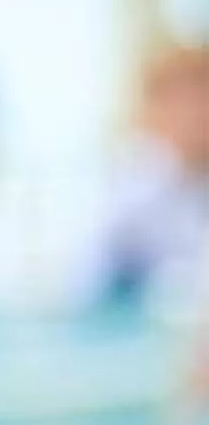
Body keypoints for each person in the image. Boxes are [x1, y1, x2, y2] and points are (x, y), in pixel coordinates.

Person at [81, 45, 209, 311]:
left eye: (202, 98)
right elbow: (88, 278)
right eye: (179, 103)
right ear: (152, 110)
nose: (195, 115)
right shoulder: (131, 187)